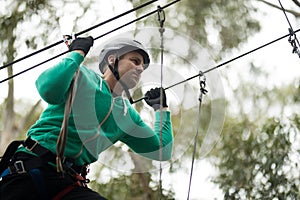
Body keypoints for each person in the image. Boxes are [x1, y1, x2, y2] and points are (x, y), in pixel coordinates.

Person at [0, 36, 173, 199]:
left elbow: (161, 150)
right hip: (30, 170)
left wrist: (161, 109)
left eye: (142, 66)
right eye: (135, 61)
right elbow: (48, 89)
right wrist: (76, 54)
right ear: (112, 59)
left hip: (67, 183)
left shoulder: (128, 115)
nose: (140, 68)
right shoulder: (81, 76)